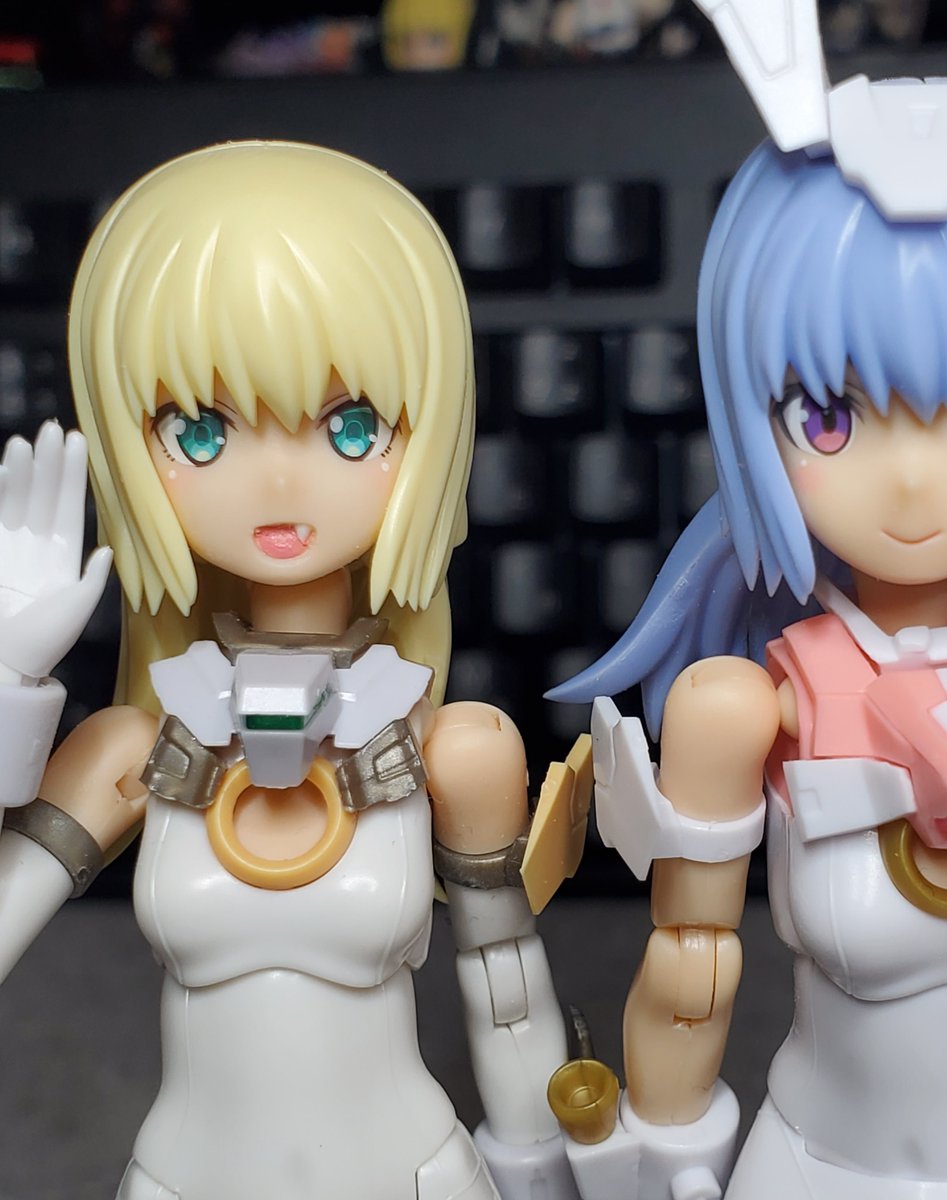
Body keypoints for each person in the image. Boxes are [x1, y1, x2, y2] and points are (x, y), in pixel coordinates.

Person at [550, 17, 947, 1197]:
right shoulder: (746, 708)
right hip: (821, 1165)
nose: (910, 482)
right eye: (830, 417)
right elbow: (692, 964)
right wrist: (659, 1149)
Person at [0, 140, 578, 1200]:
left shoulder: (449, 748)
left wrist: (544, 1170)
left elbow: (506, 991)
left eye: (351, 427)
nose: (276, 483)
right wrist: (4, 682)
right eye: (200, 432)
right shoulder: (138, 746)